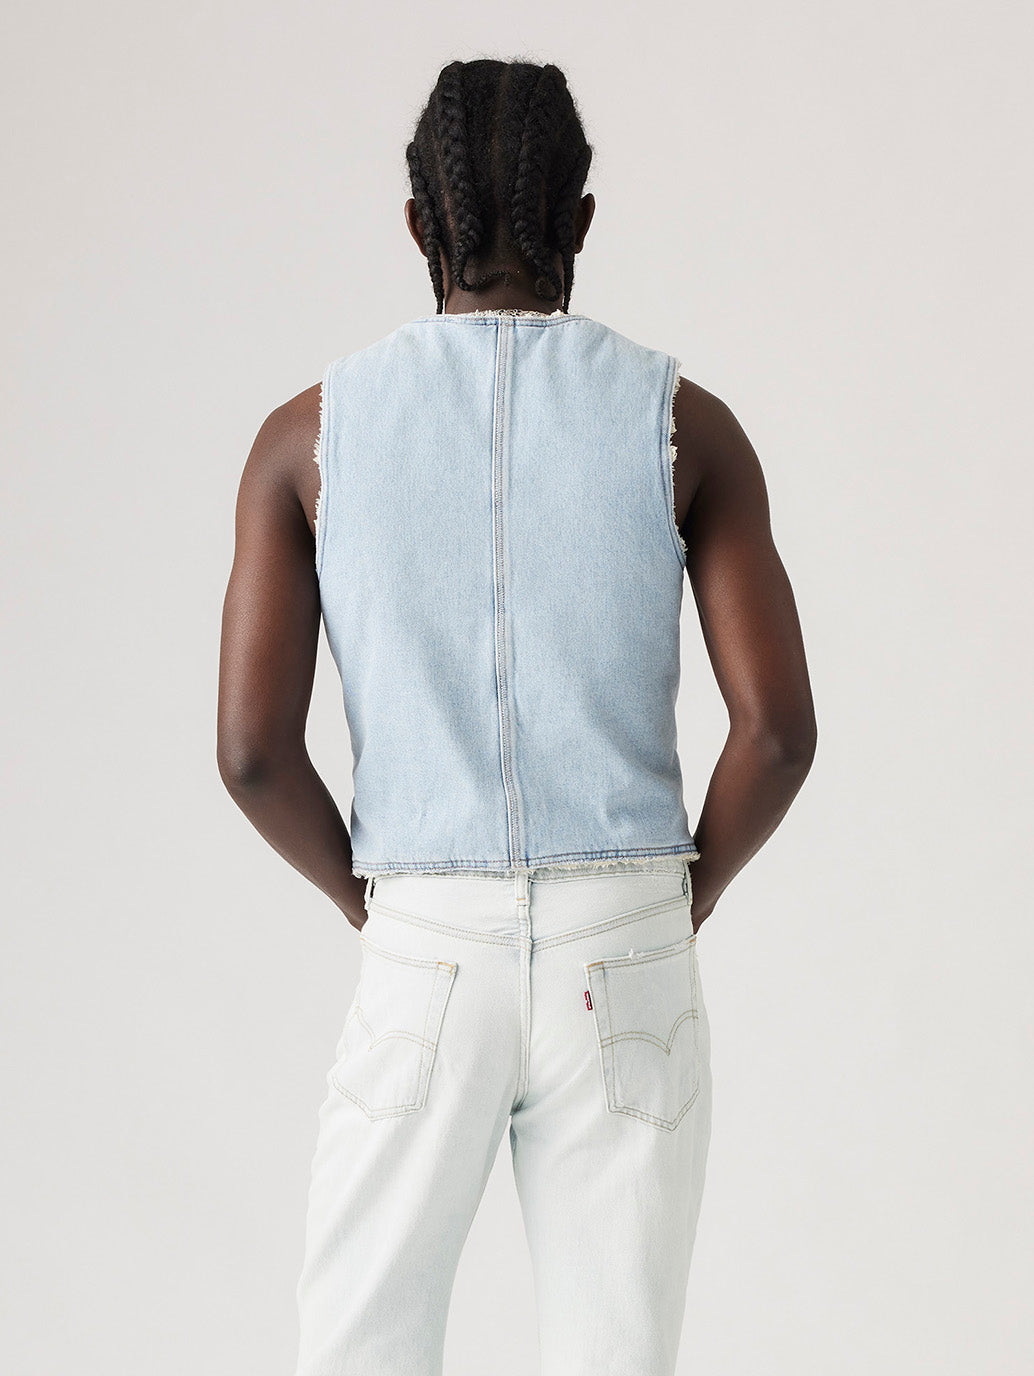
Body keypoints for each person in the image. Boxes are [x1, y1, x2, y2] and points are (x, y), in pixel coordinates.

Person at [217, 56, 816, 1376]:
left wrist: (376, 907)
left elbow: (252, 754)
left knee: (359, 1348)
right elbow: (776, 730)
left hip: (425, 938)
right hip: (629, 937)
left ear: (417, 225)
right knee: (616, 1351)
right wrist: (677, 901)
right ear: (581, 220)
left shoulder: (305, 440)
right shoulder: (684, 425)